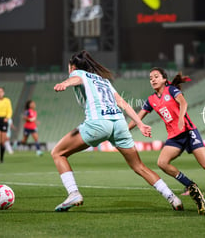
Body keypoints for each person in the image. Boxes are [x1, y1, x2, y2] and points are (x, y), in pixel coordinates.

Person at [51, 50, 183, 212]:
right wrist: (140, 124)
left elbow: (76, 78)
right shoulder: (103, 80)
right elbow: (122, 102)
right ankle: (172, 197)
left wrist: (65, 83)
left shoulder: (78, 73)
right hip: (119, 123)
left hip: (99, 123)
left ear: (72, 67)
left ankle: (73, 193)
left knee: (58, 153)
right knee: (139, 166)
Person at [128, 67, 205, 211]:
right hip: (174, 137)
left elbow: (183, 103)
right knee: (162, 163)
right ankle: (191, 185)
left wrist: (182, 118)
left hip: (188, 131)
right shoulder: (151, 100)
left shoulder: (171, 90)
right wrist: (125, 130)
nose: (153, 80)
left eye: (156, 77)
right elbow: (137, 118)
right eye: (151, 78)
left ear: (164, 79)